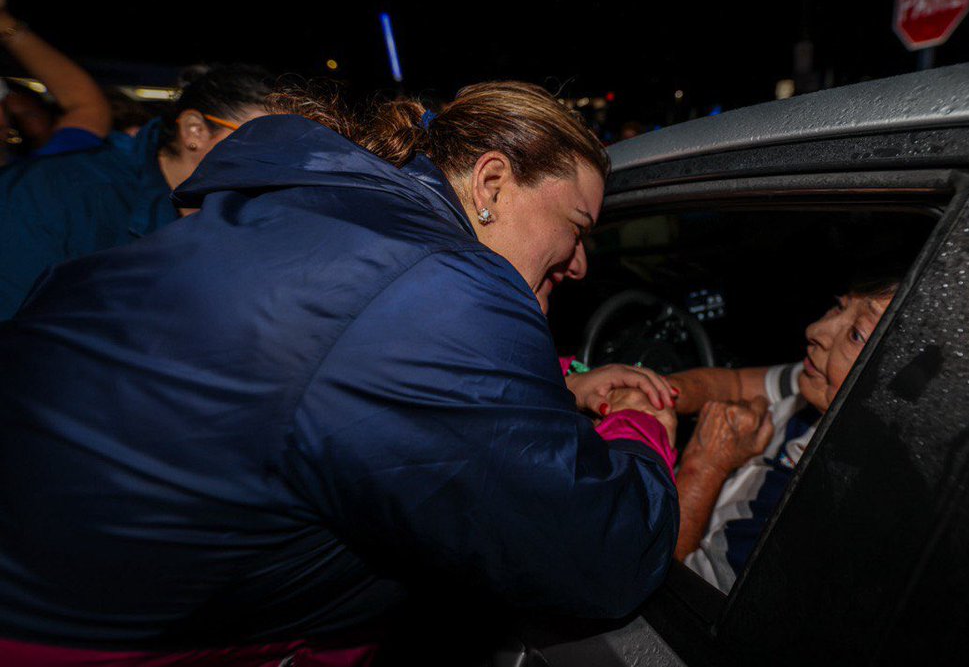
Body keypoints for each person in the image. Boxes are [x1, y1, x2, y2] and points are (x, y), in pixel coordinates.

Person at [0, 81, 680, 664]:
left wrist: (555, 381)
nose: (582, 262)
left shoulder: (331, 213)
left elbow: (311, 366)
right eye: (577, 224)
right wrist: (639, 425)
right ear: (492, 182)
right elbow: (598, 553)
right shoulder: (436, 285)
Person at [668, 278, 899, 591]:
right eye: (839, 307)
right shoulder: (820, 384)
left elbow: (679, 587)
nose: (816, 330)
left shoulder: (820, 508)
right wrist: (655, 392)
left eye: (857, 334)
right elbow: (736, 383)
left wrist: (705, 465)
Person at [0, 63, 274, 319]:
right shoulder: (60, 191)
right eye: (263, 140)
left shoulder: (263, 213)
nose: (284, 159)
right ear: (195, 130)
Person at [0, 0, 112, 160]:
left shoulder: (37, 175)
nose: (8, 120)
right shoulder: (36, 180)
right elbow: (86, 104)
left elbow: (86, 105)